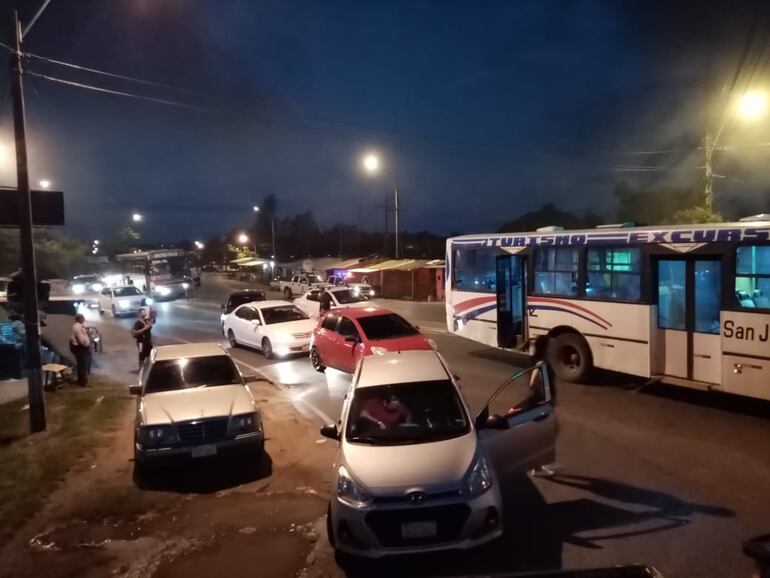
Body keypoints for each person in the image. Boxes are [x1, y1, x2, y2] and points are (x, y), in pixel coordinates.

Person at [69, 313, 91, 386]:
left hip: (78, 347)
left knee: (80, 364)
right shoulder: (78, 327)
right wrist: (86, 345)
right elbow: (81, 339)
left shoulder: (76, 326)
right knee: (83, 364)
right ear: (80, 319)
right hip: (80, 348)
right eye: (83, 318)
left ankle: (80, 380)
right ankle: (83, 381)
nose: (84, 319)